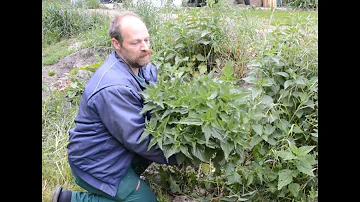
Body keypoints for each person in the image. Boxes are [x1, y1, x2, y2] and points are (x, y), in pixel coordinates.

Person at [51, 10, 177, 202]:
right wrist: (180, 156)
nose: (145, 48)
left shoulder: (141, 67)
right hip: (95, 161)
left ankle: (125, 182)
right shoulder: (113, 87)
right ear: (116, 44)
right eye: (135, 42)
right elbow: (139, 138)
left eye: (146, 40)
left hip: (114, 149)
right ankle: (69, 199)